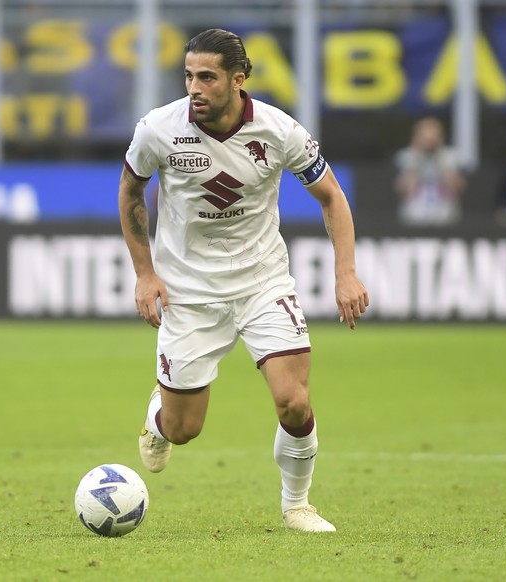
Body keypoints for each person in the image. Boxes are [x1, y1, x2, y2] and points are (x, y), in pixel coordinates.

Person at [118, 28, 369, 533]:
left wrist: (346, 272)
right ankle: (159, 418)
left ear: (239, 79)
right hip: (188, 293)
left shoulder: (279, 130)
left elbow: (332, 197)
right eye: (188, 76)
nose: (195, 87)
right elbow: (130, 192)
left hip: (262, 283)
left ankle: (297, 504)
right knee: (185, 430)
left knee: (294, 402)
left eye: (207, 77)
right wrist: (145, 275)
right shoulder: (158, 129)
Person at [394, 116, 465, 226]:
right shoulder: (406, 156)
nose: (429, 142)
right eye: (424, 138)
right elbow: (406, 190)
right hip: (414, 217)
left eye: (432, 138)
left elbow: (455, 188)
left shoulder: (450, 156)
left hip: (445, 216)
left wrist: (439, 157)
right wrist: (417, 156)